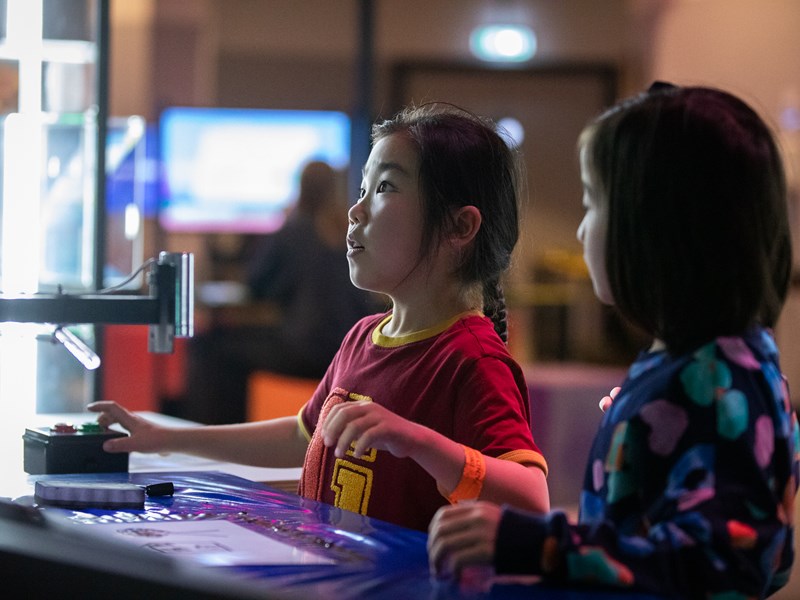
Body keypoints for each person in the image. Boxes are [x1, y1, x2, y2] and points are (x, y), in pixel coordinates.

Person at [89, 103, 550, 532]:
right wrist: (164, 438)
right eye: (363, 188)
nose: (356, 209)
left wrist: (419, 442)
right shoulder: (364, 336)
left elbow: (532, 498)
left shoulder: (472, 359)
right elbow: (302, 435)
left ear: (459, 227)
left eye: (385, 187)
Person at [427, 83, 800, 598]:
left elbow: (724, 567)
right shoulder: (713, 367)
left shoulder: (715, 384)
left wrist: (544, 545)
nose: (581, 231)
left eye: (592, 204)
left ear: (656, 226)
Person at [183, 160, 378, 424]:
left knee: (209, 346)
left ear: (299, 188)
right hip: (345, 350)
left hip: (301, 349)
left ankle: (217, 436)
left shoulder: (293, 230)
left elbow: (255, 285)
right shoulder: (350, 231)